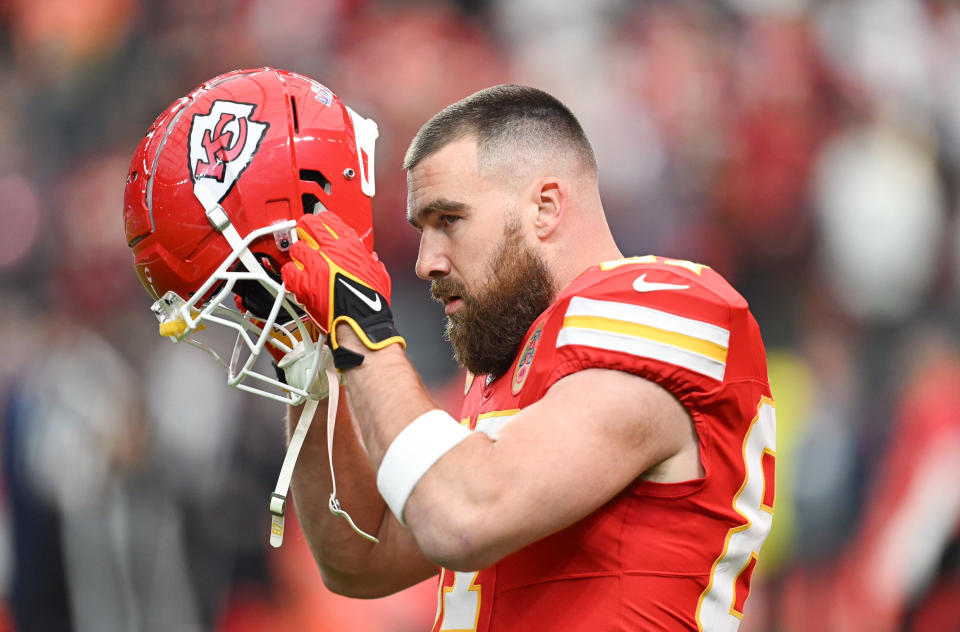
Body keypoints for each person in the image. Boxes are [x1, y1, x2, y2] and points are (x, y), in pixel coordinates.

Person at [124, 71, 775, 630]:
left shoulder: (661, 302)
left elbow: (462, 516)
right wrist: (311, 358)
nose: (426, 261)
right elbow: (360, 556)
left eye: (449, 221)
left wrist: (358, 318)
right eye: (420, 229)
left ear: (546, 206)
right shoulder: (512, 369)